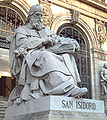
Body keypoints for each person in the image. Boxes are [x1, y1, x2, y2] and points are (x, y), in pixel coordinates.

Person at [8, 4, 88, 104]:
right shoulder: (22, 30)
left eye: (41, 15)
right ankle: (66, 88)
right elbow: (22, 44)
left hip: (47, 53)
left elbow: (58, 39)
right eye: (37, 15)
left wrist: (71, 42)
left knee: (67, 56)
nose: (39, 18)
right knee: (46, 56)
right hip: (32, 55)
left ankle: (71, 86)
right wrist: (42, 41)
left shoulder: (45, 31)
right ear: (30, 16)